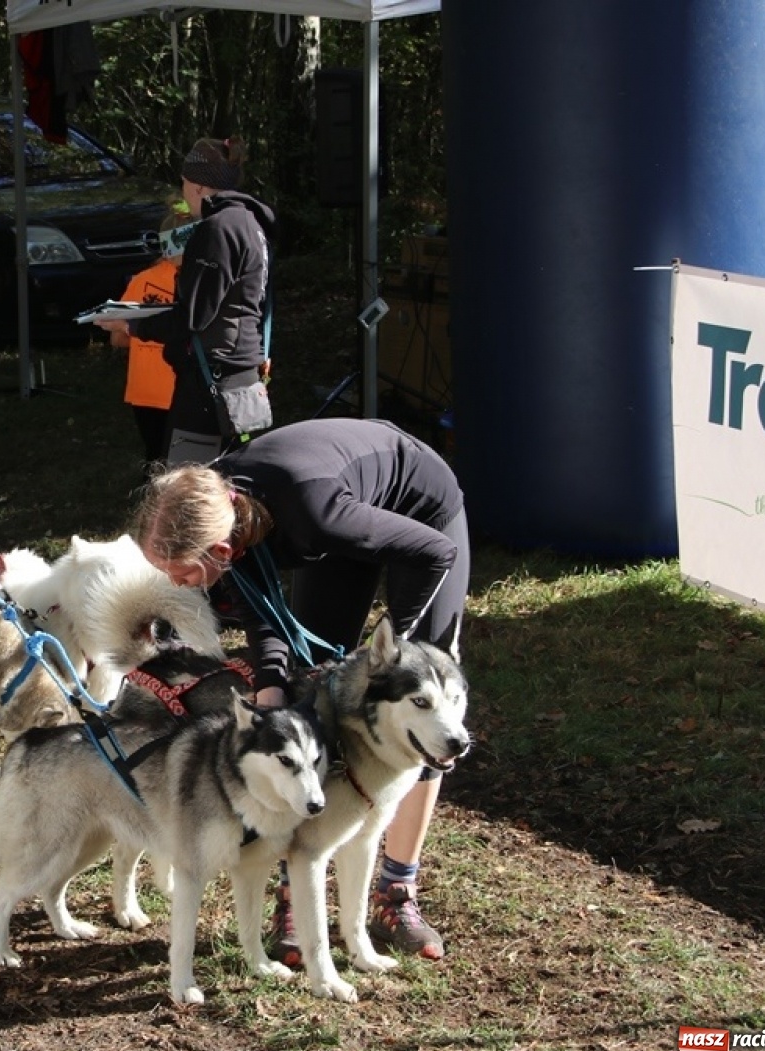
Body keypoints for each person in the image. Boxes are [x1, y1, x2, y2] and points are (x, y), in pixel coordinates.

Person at [129, 417, 469, 962]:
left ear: (219, 548)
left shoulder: (314, 514)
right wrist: (271, 698)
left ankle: (396, 890)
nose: (175, 586)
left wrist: (392, 653)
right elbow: (267, 624)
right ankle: (298, 885)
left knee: (422, 708)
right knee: (311, 696)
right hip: (339, 517)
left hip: (421, 518)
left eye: (181, 574)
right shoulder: (220, 510)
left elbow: (432, 552)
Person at [95, 137, 274, 465]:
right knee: (228, 485)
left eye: (183, 183)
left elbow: (191, 317)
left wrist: (129, 322)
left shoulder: (217, 229)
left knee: (188, 490)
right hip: (241, 377)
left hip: (211, 384)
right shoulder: (251, 224)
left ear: (197, 186)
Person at [103, 208, 191, 467]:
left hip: (151, 391)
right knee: (185, 465)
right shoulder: (204, 281)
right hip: (176, 390)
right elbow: (117, 338)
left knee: (159, 462)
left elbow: (117, 339)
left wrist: (140, 333)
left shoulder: (142, 281)